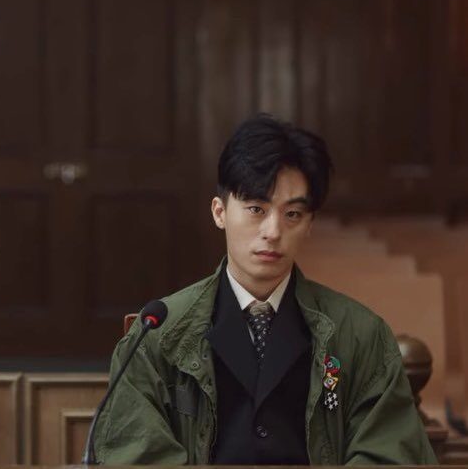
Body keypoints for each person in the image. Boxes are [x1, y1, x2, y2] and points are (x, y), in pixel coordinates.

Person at [93, 114, 435, 465]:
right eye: (256, 209)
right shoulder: (158, 333)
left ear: (310, 224)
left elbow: (391, 456)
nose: (273, 231)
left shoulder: (361, 335)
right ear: (220, 212)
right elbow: (134, 455)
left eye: (292, 214)